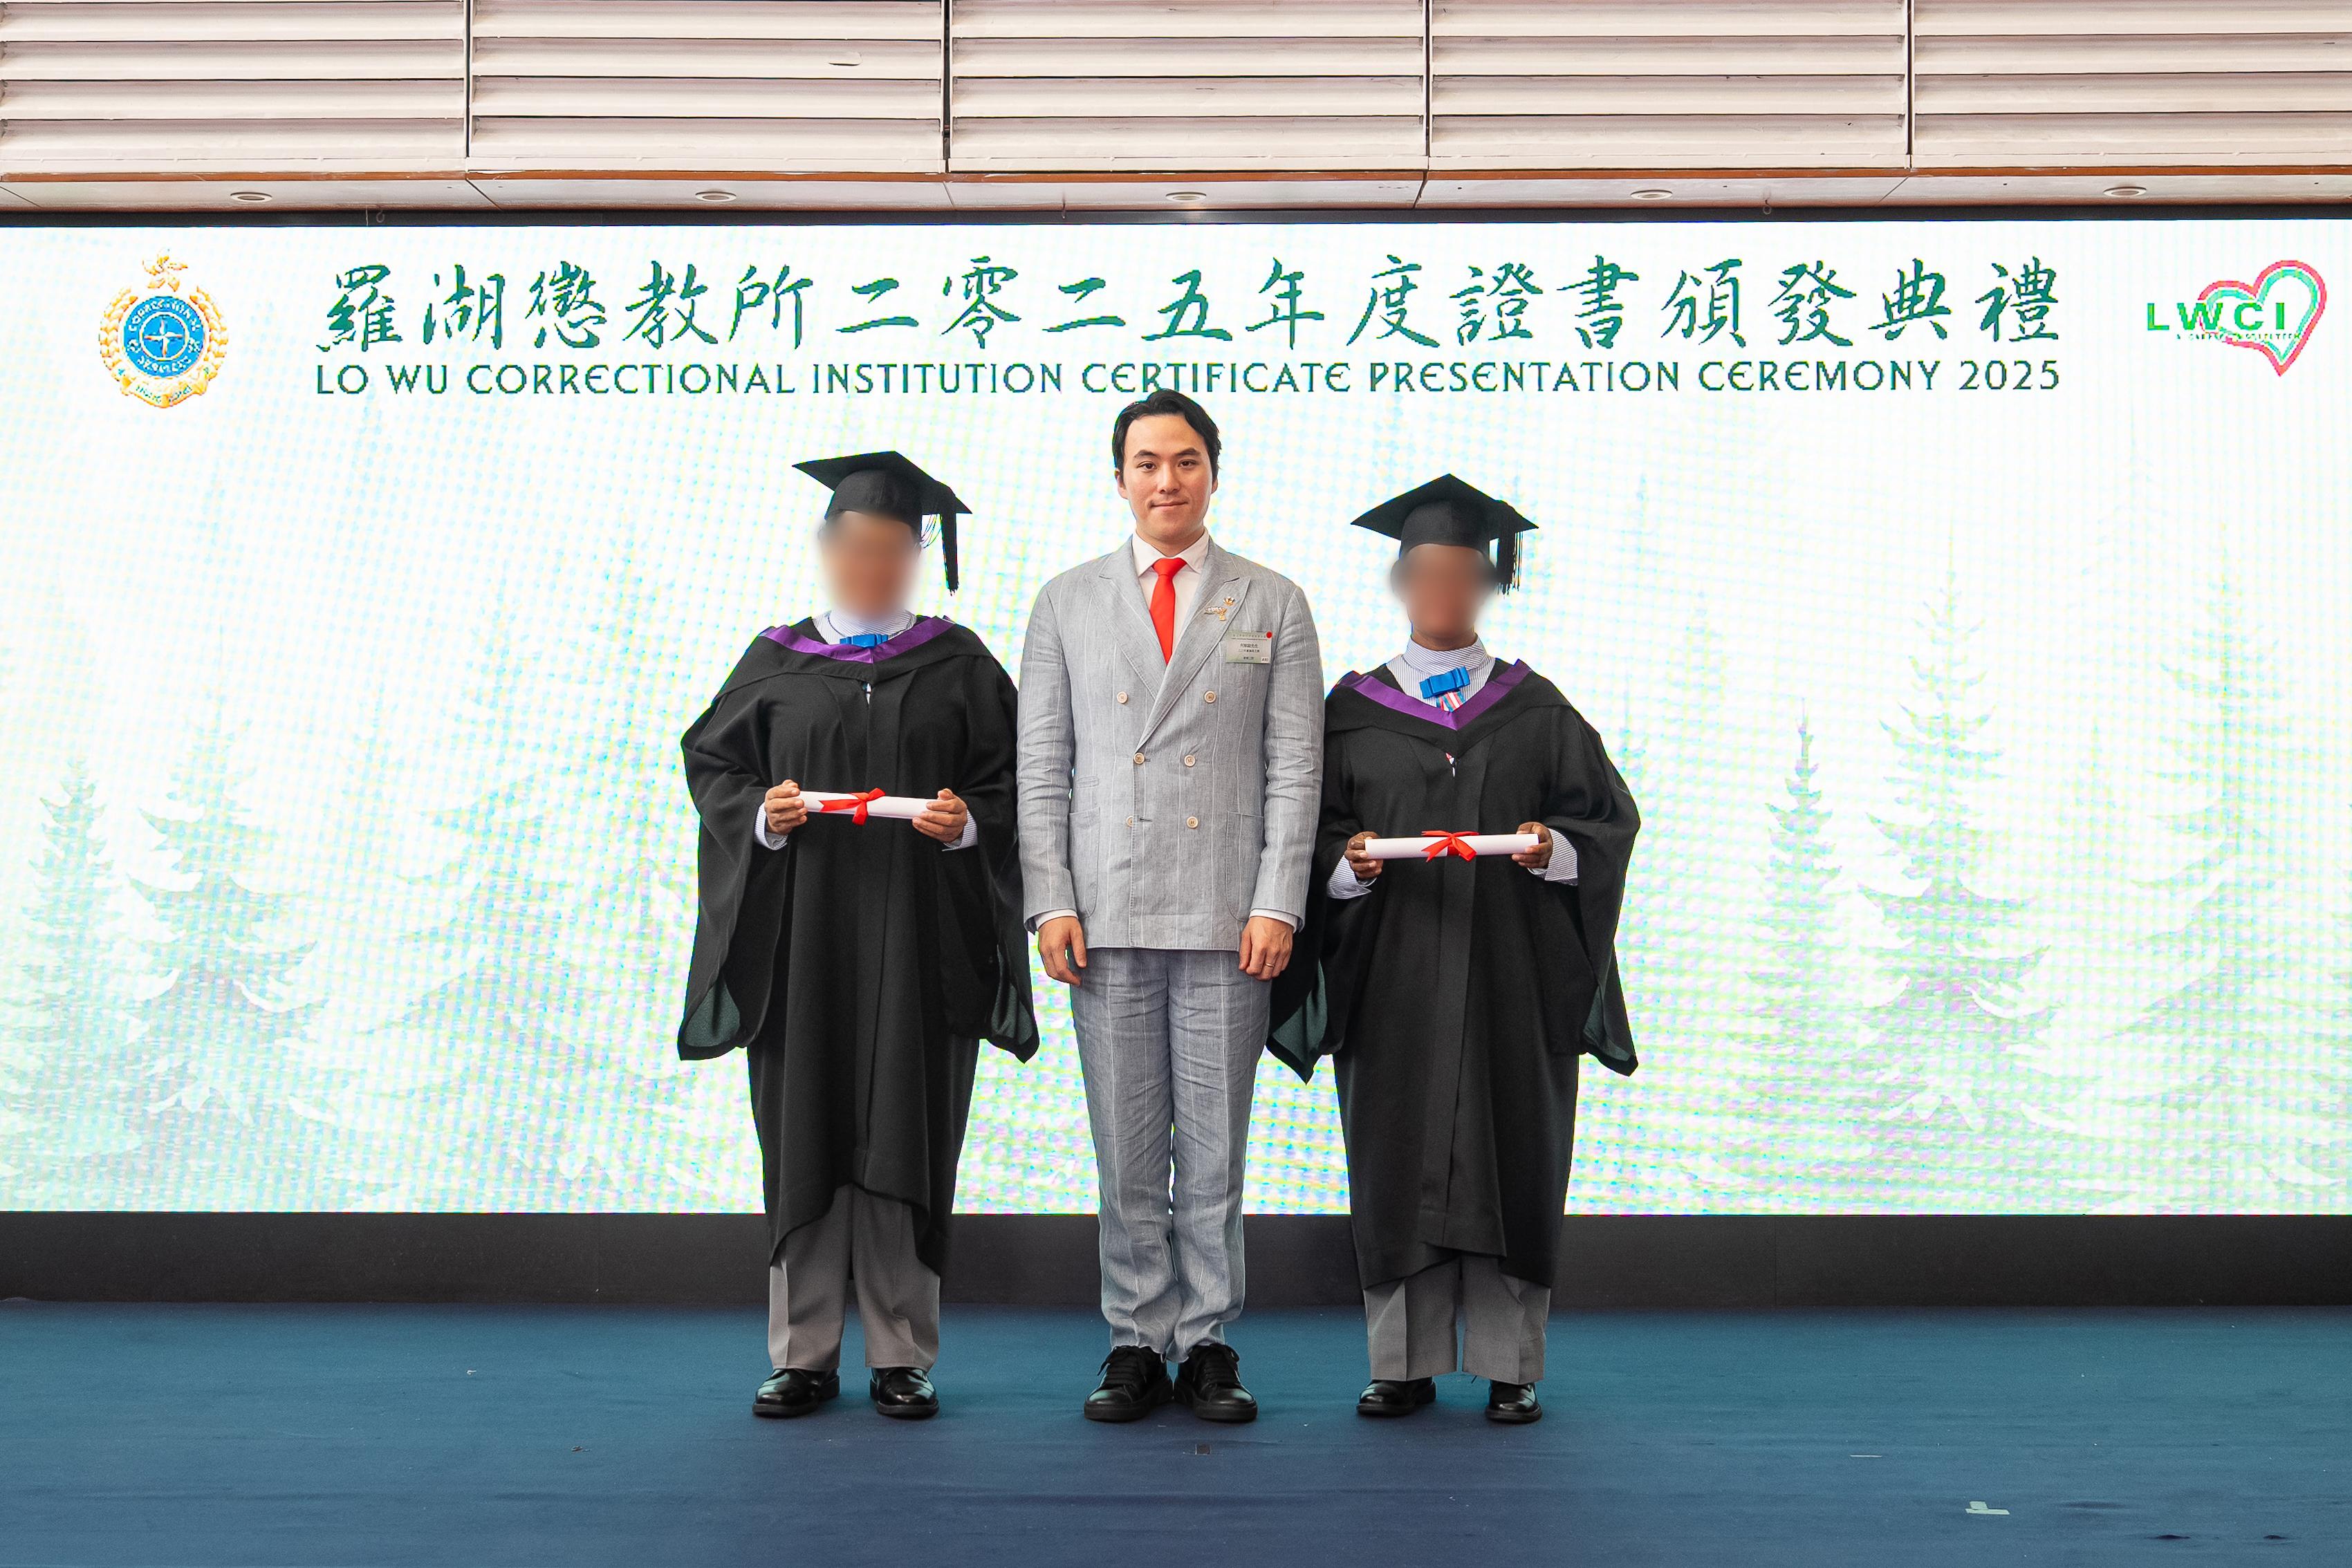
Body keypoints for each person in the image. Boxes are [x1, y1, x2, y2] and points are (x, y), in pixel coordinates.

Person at [1268, 474, 1638, 1426]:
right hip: (1390, 976)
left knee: (1511, 1154)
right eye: (1425, 572)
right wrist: (1344, 864)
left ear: (1490, 585)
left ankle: (1512, 1364)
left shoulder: (1539, 712)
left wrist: (1552, 849)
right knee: (1395, 1160)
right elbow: (1304, 834)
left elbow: (1604, 823)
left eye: (1463, 573)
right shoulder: (1347, 712)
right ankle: (1403, 1362)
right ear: (1398, 581)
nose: (1443, 591)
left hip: (1512, 978)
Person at [677, 450, 1037, 1423]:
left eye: (892, 549)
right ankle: (802, 1352)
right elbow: (711, 766)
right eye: (855, 547)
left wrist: (965, 820)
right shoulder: (775, 660)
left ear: (919, 554)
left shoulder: (959, 665)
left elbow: (1016, 790)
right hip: (805, 943)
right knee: (804, 1132)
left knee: (907, 1133)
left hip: (921, 942)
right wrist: (764, 810)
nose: (872, 567)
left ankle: (900, 1352)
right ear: (826, 548)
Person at [1017, 390, 1323, 1424]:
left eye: (1185, 462)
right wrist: (1048, 898)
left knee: (1216, 1149)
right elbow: (1040, 767)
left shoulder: (1271, 599)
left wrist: (1278, 899)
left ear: (1213, 474)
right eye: (1146, 463)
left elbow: (1295, 770)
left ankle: (1209, 1342)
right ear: (1118, 479)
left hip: (1227, 913)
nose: (1165, 481)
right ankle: (1133, 1339)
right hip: (1102, 912)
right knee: (1126, 1146)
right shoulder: (1065, 600)